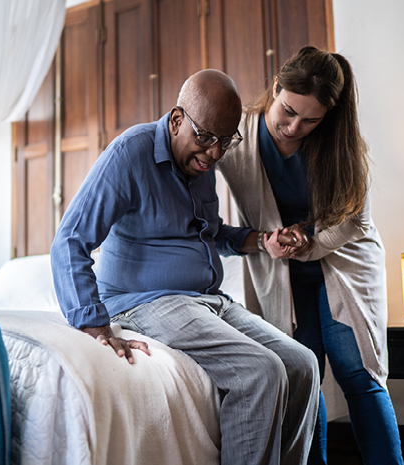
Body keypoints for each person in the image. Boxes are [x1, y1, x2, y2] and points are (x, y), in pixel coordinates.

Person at [51, 69, 320, 465]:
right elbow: (69, 241)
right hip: (145, 301)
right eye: (206, 138)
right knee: (260, 373)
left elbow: (210, 234)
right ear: (177, 120)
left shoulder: (200, 167)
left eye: (225, 142)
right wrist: (95, 325)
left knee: (302, 365)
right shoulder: (130, 154)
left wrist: (261, 240)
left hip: (207, 299)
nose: (214, 153)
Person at [217, 46, 404, 465]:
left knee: (357, 371)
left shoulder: (341, 144)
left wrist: (307, 240)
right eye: (287, 111)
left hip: (344, 261)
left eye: (310, 120)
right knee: (304, 374)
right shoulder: (238, 136)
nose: (294, 127)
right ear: (276, 88)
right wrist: (258, 239)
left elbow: (354, 222)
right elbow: (196, 193)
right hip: (280, 267)